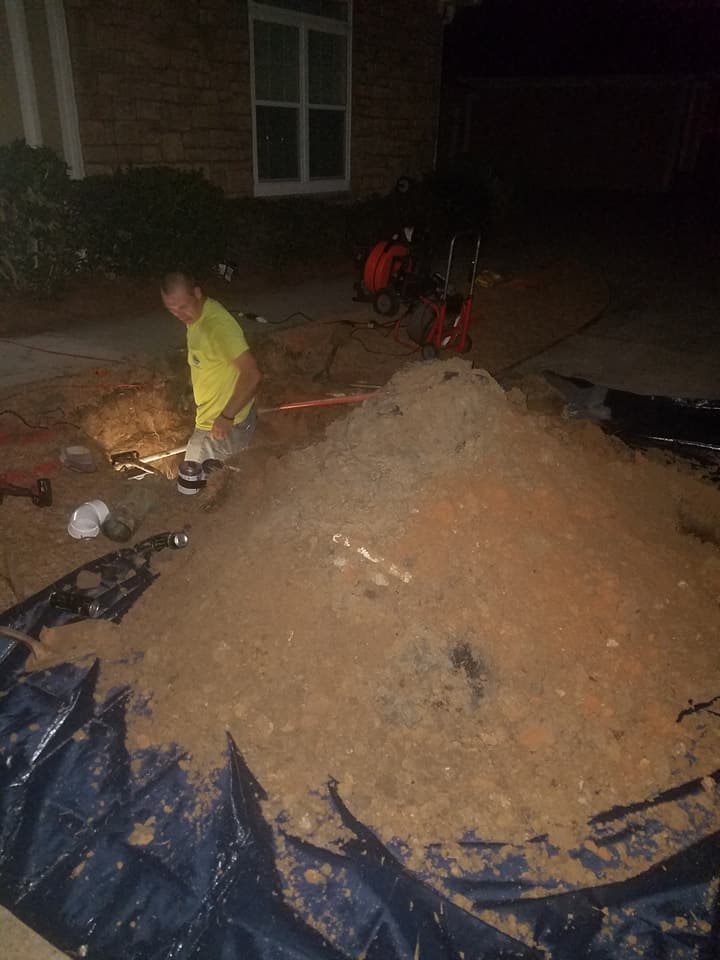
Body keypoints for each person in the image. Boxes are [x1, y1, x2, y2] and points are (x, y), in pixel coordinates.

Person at [161, 271, 261, 463]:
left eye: (183, 307)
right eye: (172, 310)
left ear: (197, 293)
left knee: (193, 477)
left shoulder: (217, 326)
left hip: (222, 427)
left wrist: (226, 416)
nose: (179, 315)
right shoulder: (196, 316)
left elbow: (252, 374)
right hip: (214, 419)